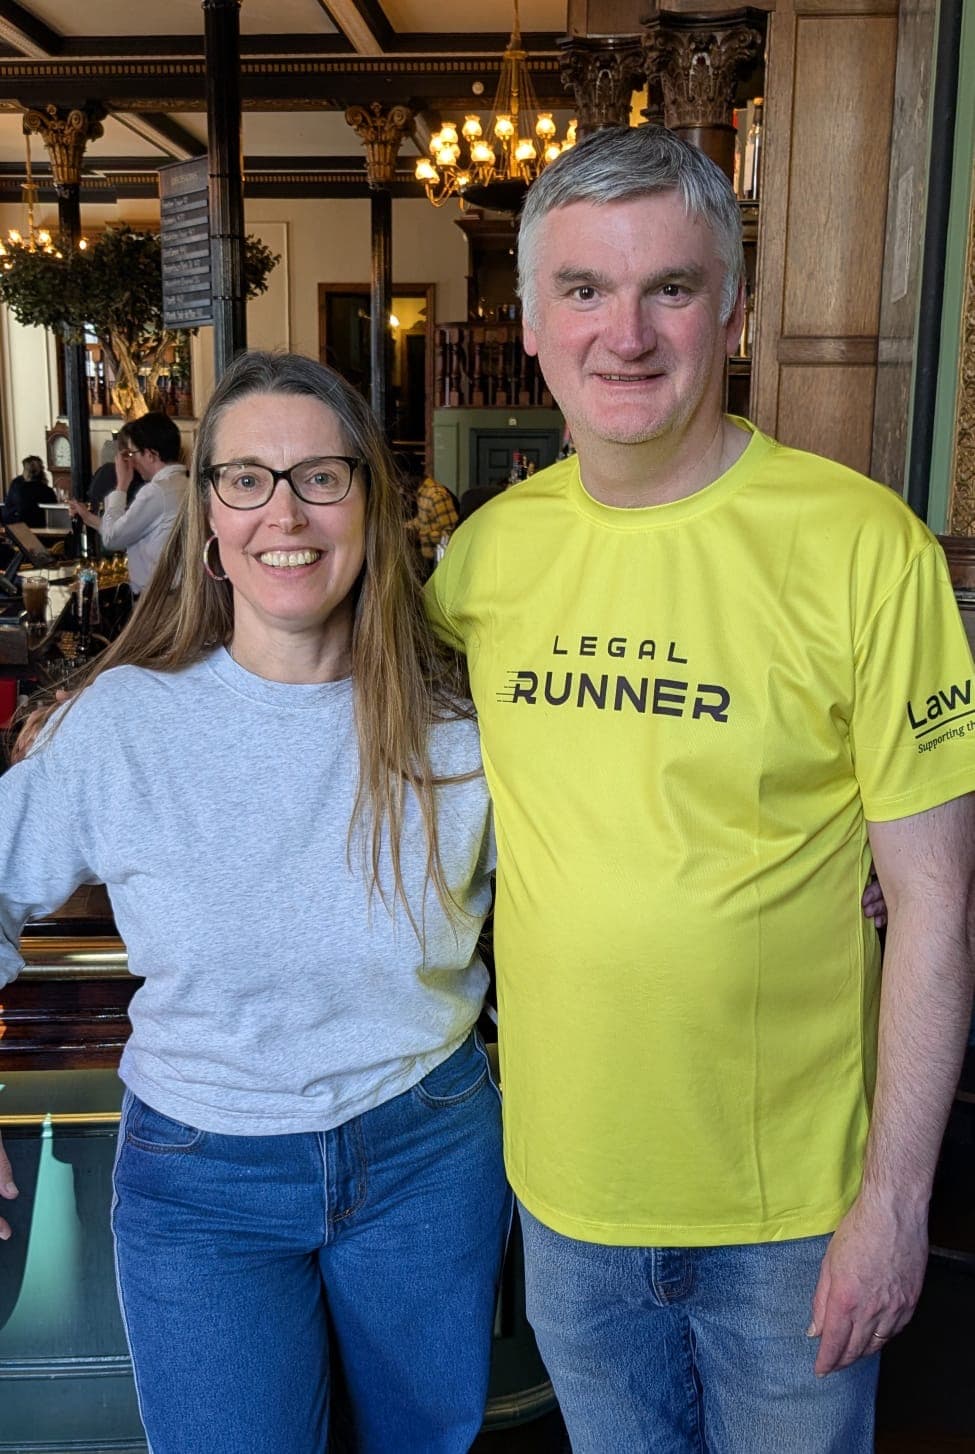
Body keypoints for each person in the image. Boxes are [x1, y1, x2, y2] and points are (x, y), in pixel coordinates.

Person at [425, 125, 975, 1453]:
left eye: (667, 286)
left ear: (728, 311)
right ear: (529, 321)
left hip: (791, 1211)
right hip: (564, 1199)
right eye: (583, 290)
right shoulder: (480, 563)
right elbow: (361, 767)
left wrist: (893, 1201)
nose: (626, 331)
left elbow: (935, 898)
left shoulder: (859, 547)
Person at [0, 351, 509, 1454]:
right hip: (201, 1175)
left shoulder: (463, 723)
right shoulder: (127, 721)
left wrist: (831, 872)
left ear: (370, 503)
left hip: (427, 1147)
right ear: (210, 523)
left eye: (321, 476)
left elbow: (612, 867)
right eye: (247, 479)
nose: (286, 510)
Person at [69, 411, 187, 596]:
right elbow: (127, 531)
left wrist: (122, 484)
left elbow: (112, 539)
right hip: (178, 593)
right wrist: (88, 518)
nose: (131, 460)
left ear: (151, 454)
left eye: (133, 453)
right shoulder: (185, 484)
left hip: (160, 598)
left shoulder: (156, 491)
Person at [408, 468, 459, 574]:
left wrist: (420, 536)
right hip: (428, 560)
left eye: (400, 481)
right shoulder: (422, 494)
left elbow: (452, 532)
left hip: (439, 563)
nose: (400, 488)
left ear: (409, 476)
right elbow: (422, 521)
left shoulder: (436, 495)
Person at [1, 455, 56, 528]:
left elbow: (8, 507)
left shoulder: (16, 484)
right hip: (35, 528)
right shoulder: (46, 490)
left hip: (13, 526)